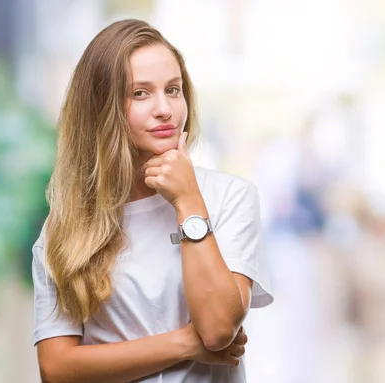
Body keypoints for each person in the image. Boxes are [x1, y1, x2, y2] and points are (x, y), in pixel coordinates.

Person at [32, 19, 273, 383]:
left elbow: (219, 329)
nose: (165, 109)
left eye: (173, 90)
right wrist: (184, 344)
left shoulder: (231, 198)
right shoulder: (68, 225)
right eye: (140, 93)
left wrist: (188, 201)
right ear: (103, 106)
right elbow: (57, 367)